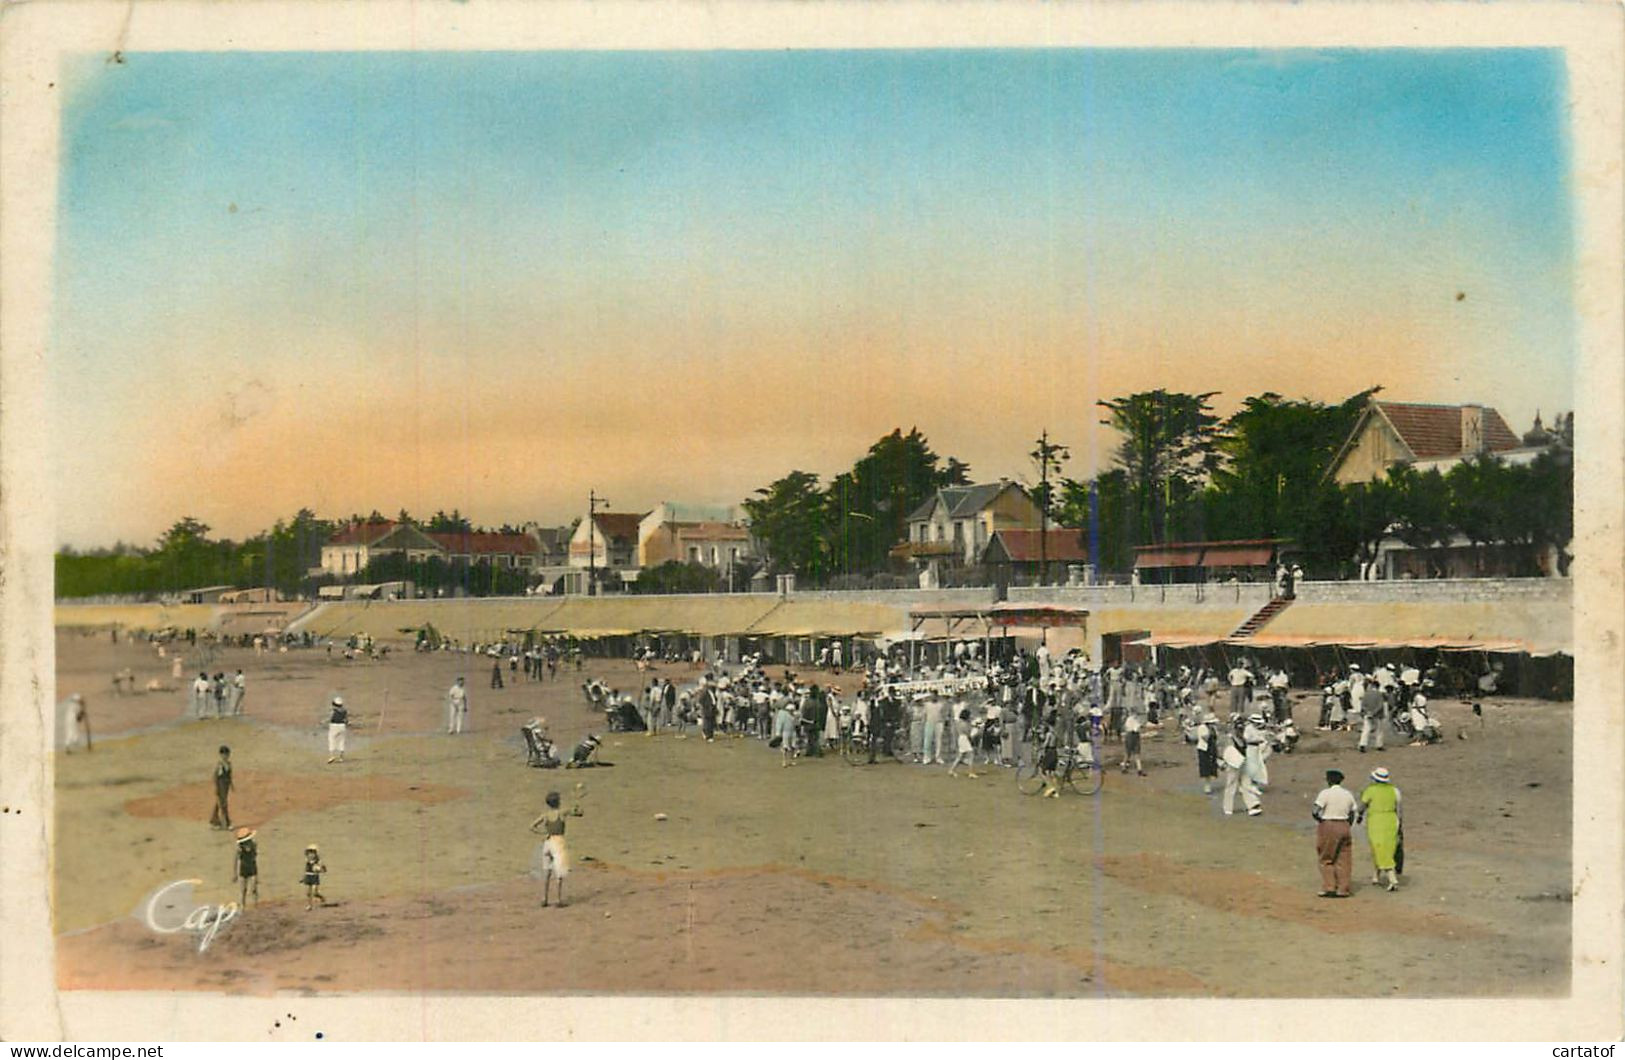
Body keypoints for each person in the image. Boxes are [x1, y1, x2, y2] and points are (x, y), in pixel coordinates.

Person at [529, 787, 584, 907]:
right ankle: (559, 900)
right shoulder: (562, 813)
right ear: (558, 802)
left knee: (547, 872)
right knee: (559, 872)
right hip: (558, 842)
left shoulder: (545, 815)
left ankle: (545, 898)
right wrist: (577, 805)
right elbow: (579, 813)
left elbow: (532, 826)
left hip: (547, 842)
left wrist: (543, 833)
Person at [1311, 769, 1358, 898]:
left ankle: (1329, 886)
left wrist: (1321, 821)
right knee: (1344, 858)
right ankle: (1343, 888)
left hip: (1329, 823)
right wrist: (1348, 824)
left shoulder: (1325, 794)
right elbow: (1353, 812)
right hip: (1344, 824)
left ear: (1329, 780)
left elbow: (1315, 811)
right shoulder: (1348, 794)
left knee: (1326, 857)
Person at [1359, 767, 1403, 891]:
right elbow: (1399, 810)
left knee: (1378, 848)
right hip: (1391, 821)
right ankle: (1376, 875)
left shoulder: (1370, 790)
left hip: (1376, 821)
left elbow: (1362, 806)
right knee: (1387, 848)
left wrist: (1359, 816)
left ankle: (1392, 879)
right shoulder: (1395, 791)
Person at [1358, 675, 1387, 753]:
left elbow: (1363, 705)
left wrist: (1368, 712)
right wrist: (1374, 712)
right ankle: (1379, 745)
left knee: (1366, 729)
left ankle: (1362, 744)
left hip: (1367, 714)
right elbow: (1380, 705)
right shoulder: (1379, 694)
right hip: (1378, 715)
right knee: (1379, 730)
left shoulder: (1366, 694)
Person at [232, 826, 260, 907]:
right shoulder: (239, 849)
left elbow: (255, 857)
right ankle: (243, 906)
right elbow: (235, 861)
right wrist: (235, 874)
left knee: (254, 889)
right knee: (243, 890)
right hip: (243, 869)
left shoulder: (254, 845)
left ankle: (255, 905)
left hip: (252, 868)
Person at [209, 745, 234, 830]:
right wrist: (216, 788)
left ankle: (214, 821)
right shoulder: (220, 765)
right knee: (223, 804)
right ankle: (227, 823)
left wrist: (231, 785)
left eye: (227, 754)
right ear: (221, 755)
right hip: (221, 786)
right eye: (224, 754)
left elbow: (229, 776)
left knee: (219, 804)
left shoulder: (229, 764)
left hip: (226, 786)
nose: (226, 756)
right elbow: (215, 777)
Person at [300, 844, 327, 910]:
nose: (311, 854)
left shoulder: (318, 861)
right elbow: (306, 870)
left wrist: (320, 869)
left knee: (315, 893)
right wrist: (303, 878)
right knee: (308, 893)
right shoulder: (307, 860)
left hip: (314, 877)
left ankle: (321, 897)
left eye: (312, 852)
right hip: (308, 876)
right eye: (309, 852)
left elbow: (324, 869)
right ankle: (309, 905)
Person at [326, 695, 349, 764]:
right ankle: (341, 757)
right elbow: (346, 720)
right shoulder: (344, 711)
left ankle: (332, 756)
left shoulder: (333, 711)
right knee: (341, 741)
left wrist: (323, 722)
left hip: (334, 726)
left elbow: (330, 718)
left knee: (332, 740)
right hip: (342, 726)